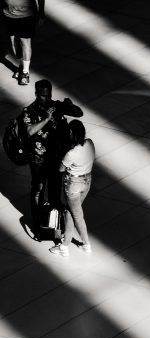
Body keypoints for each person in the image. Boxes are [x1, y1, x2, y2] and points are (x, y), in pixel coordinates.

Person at [23, 79, 83, 238]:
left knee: (55, 193)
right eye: (43, 96)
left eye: (48, 95)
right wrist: (46, 119)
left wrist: (69, 106)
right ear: (36, 94)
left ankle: (55, 228)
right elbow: (29, 131)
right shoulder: (29, 111)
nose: (46, 98)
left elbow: (78, 113)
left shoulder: (55, 106)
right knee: (38, 191)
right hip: (38, 160)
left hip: (56, 158)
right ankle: (37, 224)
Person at [49, 120, 94, 257]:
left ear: (71, 133)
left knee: (77, 216)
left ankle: (83, 244)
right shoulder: (90, 143)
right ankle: (65, 245)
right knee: (70, 213)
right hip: (86, 182)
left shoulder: (71, 153)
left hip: (73, 184)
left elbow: (61, 169)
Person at [3, 0, 44, 85]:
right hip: (8, 15)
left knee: (25, 42)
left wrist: (41, 13)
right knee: (13, 42)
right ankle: (21, 66)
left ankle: (25, 72)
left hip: (26, 16)